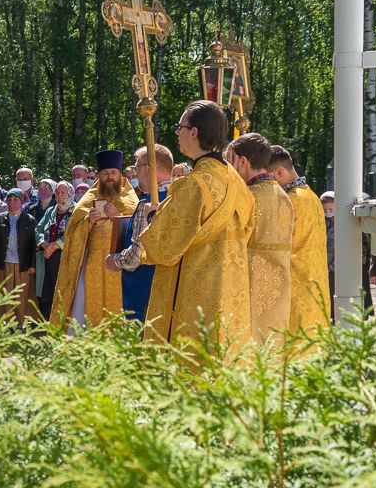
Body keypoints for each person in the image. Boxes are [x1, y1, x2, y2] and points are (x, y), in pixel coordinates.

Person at [110, 101, 256, 348]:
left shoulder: (193, 185)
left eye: (180, 127)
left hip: (195, 289)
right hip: (230, 287)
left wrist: (153, 218)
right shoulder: (236, 181)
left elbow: (164, 247)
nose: (177, 133)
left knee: (189, 357)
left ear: (194, 132)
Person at [51, 150, 139, 329]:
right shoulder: (89, 197)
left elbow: (140, 226)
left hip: (120, 260)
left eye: (113, 172)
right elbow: (71, 232)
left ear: (120, 174)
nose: (110, 177)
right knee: (88, 305)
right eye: (105, 173)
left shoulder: (129, 197)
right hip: (93, 261)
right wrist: (88, 221)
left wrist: (118, 215)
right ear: (99, 175)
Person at [228, 134, 294, 346]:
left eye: (231, 162)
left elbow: (228, 243)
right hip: (280, 291)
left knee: (249, 351)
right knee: (273, 348)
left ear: (242, 162)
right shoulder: (285, 195)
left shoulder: (247, 197)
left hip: (250, 290)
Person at [105, 145, 173, 323]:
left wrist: (115, 260)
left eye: (137, 167)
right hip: (171, 289)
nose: (135, 174)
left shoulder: (149, 204)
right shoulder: (180, 197)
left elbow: (136, 255)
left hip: (142, 290)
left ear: (150, 168)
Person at [269, 145, 331, 334]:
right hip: (316, 289)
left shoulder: (288, 201)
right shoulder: (312, 197)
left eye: (267, 177)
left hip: (296, 292)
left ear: (278, 172)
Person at [0, 191, 38, 324]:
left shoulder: (30, 220)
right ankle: (4, 322)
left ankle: (20, 323)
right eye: (9, 199)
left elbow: (34, 245)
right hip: (3, 263)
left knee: (21, 295)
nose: (12, 202)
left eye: (15, 199)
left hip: (22, 264)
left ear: (21, 201)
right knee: (4, 293)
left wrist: (32, 264)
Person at [35, 181, 75, 320]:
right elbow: (38, 229)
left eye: (63, 193)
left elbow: (75, 233)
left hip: (65, 257)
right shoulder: (51, 210)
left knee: (63, 290)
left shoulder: (76, 211)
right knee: (47, 289)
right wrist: (44, 244)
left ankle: (63, 320)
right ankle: (48, 320)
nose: (59, 196)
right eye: (57, 192)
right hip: (47, 256)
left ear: (70, 194)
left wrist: (56, 245)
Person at [321, 190, 336, 303]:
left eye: (331, 209)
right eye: (325, 210)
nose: (328, 212)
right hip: (324, 266)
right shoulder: (319, 220)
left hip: (340, 266)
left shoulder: (344, 221)